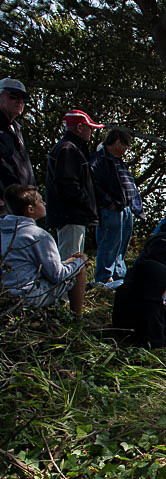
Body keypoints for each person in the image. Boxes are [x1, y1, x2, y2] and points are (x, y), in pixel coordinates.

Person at [0, 184, 87, 316]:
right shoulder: (38, 235)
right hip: (27, 296)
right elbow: (57, 275)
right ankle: (77, 319)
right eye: (40, 201)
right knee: (79, 270)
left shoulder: (3, 230)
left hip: (5, 294)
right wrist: (80, 261)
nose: (45, 203)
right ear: (30, 209)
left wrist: (69, 261)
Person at [46, 109, 104, 260]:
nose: (91, 131)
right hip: (71, 214)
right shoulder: (68, 149)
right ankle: (67, 284)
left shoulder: (72, 148)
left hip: (73, 214)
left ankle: (71, 283)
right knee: (70, 259)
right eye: (89, 127)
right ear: (79, 127)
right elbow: (67, 183)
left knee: (73, 257)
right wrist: (85, 202)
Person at [90, 128, 143, 284]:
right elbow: (94, 184)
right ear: (118, 142)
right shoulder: (99, 159)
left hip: (126, 208)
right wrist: (109, 202)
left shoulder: (118, 161)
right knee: (109, 242)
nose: (127, 149)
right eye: (127, 145)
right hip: (111, 208)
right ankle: (104, 278)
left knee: (122, 244)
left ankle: (119, 276)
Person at [112, 259, 166, 348]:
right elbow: (154, 343)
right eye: (164, 287)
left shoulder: (128, 293)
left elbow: (161, 310)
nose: (165, 291)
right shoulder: (149, 310)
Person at [0, 78, 35, 214]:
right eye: (13, 96)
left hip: (20, 205)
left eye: (23, 98)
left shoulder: (16, 129)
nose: (19, 101)